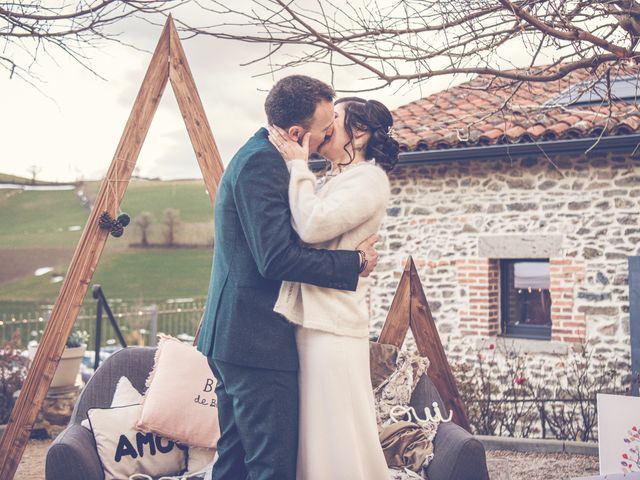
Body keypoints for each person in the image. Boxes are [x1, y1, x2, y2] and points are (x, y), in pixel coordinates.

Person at [196, 76, 381, 480]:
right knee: (271, 464)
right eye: (326, 126)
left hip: (236, 337)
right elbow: (275, 258)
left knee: (235, 458)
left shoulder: (259, 153)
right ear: (298, 133)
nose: (330, 131)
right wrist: (353, 264)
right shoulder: (263, 162)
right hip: (255, 340)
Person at [269, 96, 400, 480]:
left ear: (358, 133)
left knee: (338, 437)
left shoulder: (368, 180)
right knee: (318, 438)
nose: (326, 128)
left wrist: (297, 164)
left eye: (335, 121)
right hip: (315, 323)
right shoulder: (336, 178)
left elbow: (310, 227)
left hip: (334, 328)